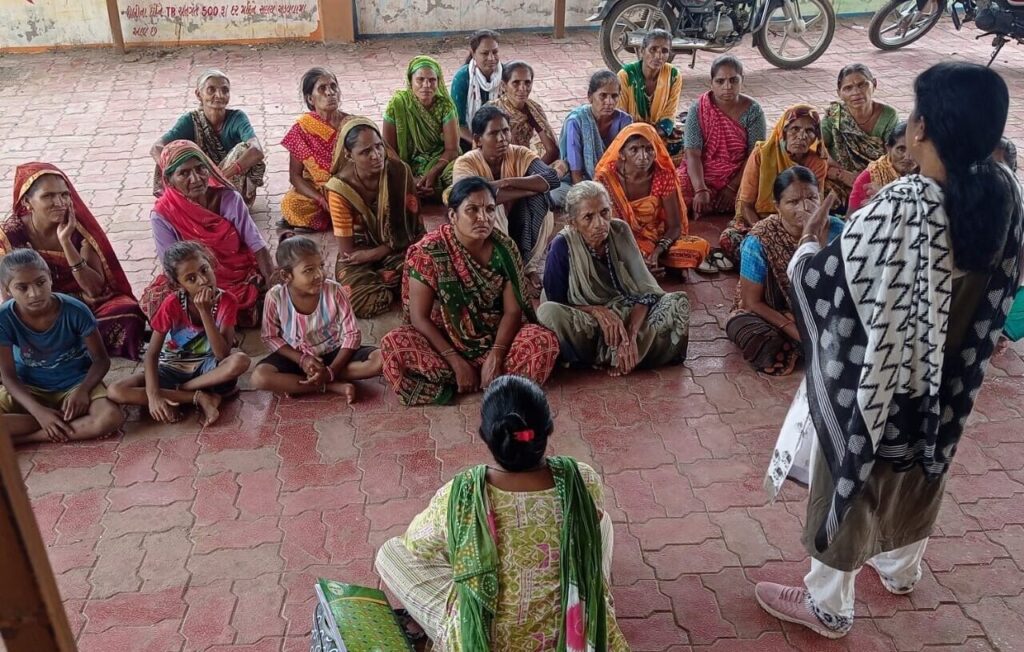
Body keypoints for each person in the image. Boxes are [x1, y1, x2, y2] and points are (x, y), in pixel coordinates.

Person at [756, 62, 1022, 639]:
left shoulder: (907, 205)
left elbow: (826, 282)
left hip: (886, 371)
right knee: (925, 461)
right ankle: (900, 568)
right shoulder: (1004, 191)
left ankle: (827, 602)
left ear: (923, 127)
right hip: (950, 369)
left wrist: (806, 245)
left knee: (854, 467)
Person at [375, 374, 629, 651]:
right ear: (548, 430)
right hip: (574, 635)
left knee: (390, 553)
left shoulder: (460, 495)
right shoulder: (582, 480)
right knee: (600, 523)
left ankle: (448, 628)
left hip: (483, 642)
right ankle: (594, 606)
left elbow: (416, 544)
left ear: (485, 435)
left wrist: (469, 550)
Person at [379, 177, 559, 406]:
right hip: (446, 341)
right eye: (472, 210)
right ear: (453, 216)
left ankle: (489, 376)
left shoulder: (504, 249)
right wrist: (455, 361)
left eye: (490, 210)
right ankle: (469, 380)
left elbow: (512, 312)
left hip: (493, 337)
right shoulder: (429, 251)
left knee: (542, 341)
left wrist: (496, 354)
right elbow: (419, 318)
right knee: (394, 345)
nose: (483, 218)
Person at [537, 181, 691, 376]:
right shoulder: (561, 246)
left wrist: (631, 334)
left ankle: (617, 354)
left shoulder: (620, 231)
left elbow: (646, 291)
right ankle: (634, 355)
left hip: (629, 314)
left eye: (604, 213)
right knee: (547, 312)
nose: (600, 224)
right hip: (589, 322)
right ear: (573, 222)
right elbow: (556, 302)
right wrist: (597, 311)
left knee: (678, 302)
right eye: (588, 217)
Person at [0, 163, 145, 360]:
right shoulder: (9, 236)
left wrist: (66, 242)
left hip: (81, 306)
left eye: (64, 195)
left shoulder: (79, 229)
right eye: (48, 196)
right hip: (36, 308)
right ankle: (72, 347)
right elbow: (10, 296)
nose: (59, 202)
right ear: (27, 201)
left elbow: (95, 290)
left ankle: (57, 349)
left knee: (128, 312)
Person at [108, 242, 250, 427]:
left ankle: (182, 394)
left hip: (208, 370)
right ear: (178, 284)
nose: (203, 280)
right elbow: (152, 355)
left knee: (239, 361)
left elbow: (222, 354)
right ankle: (199, 398)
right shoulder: (172, 304)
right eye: (191, 279)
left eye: (204, 270)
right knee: (115, 390)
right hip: (171, 367)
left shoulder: (227, 301)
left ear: (211, 264)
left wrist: (205, 312)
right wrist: (153, 396)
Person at [140, 140, 275, 328]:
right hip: (194, 278)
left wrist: (273, 286)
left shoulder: (229, 199)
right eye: (184, 173)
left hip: (238, 276)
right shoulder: (162, 215)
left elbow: (257, 245)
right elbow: (172, 265)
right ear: (169, 180)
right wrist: (197, 292)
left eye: (200, 169)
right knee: (161, 304)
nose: (195, 179)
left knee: (267, 295)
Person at [725, 167, 843, 376]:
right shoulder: (760, 239)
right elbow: (752, 302)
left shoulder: (837, 230)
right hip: (774, 310)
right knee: (744, 327)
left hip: (825, 309)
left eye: (812, 198)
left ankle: (811, 344)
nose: (805, 207)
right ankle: (804, 344)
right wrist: (794, 329)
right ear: (777, 206)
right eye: (793, 202)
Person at [0, 249, 124, 444]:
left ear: (50, 278)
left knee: (110, 418)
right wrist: (39, 412)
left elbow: (101, 360)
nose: (35, 293)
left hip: (75, 383)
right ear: (7, 290)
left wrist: (83, 391)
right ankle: (55, 422)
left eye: (41, 282)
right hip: (28, 388)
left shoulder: (75, 310)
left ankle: (23, 438)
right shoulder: (4, 318)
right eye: (22, 288)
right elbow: (7, 375)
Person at [251, 234, 383, 402]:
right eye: (308, 270)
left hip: (333, 353)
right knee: (259, 377)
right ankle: (330, 386)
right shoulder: (275, 297)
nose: (319, 274)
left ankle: (309, 381)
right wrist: (303, 359)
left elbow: (353, 334)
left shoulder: (334, 291)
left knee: (380, 359)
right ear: (286, 276)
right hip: (296, 358)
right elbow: (269, 336)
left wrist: (331, 371)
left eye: (321, 266)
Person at [326, 118, 425, 318]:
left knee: (430, 272)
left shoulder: (399, 172)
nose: (376, 155)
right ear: (348, 155)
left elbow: (413, 230)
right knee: (360, 301)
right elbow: (348, 252)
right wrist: (369, 255)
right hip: (360, 254)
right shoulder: (339, 190)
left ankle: (393, 279)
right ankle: (396, 282)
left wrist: (377, 253)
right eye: (365, 152)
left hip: (401, 245)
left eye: (379, 147)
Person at [452, 106, 561, 280]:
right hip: (481, 232)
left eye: (505, 131)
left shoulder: (519, 153)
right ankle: (503, 266)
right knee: (490, 206)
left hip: (517, 223)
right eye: (494, 133)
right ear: (478, 139)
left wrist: (507, 182)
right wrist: (526, 190)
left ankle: (526, 265)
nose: (502, 139)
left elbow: (552, 179)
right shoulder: (465, 163)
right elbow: (471, 198)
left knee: (541, 199)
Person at [594, 123, 710, 274]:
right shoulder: (607, 178)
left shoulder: (662, 175)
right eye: (634, 149)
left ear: (656, 150)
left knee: (697, 248)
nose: (643, 157)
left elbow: (675, 226)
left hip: (656, 238)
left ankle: (647, 263)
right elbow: (603, 224)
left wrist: (658, 250)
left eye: (649, 149)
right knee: (601, 248)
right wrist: (633, 250)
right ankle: (646, 264)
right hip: (620, 238)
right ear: (621, 153)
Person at [723, 104, 828, 266]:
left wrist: (798, 233)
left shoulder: (817, 163)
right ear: (783, 131)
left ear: (816, 136)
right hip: (758, 220)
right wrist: (767, 232)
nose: (801, 136)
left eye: (809, 131)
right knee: (731, 239)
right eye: (795, 129)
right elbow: (746, 205)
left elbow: (814, 206)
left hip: (798, 223)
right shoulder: (762, 154)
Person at [150, 69, 266, 206]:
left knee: (244, 149)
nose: (219, 95)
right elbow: (156, 148)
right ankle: (176, 203)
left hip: (228, 186)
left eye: (225, 90)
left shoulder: (237, 117)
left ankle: (226, 205)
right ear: (199, 95)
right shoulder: (191, 120)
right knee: (168, 153)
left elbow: (257, 150)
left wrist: (218, 178)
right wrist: (174, 169)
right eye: (211, 90)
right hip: (197, 184)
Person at [678, 55, 766, 218]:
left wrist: (732, 187)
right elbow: (692, 153)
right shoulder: (699, 108)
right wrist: (701, 189)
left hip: (739, 172)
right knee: (678, 189)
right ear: (711, 83)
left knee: (760, 194)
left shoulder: (753, 111)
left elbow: (754, 155)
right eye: (720, 81)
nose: (727, 87)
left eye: (733, 80)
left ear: (742, 80)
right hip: (704, 171)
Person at [281, 67, 354, 231]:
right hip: (319, 190)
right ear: (310, 98)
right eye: (322, 88)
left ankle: (342, 212)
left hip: (350, 186)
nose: (330, 92)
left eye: (334, 86)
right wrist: (321, 199)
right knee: (291, 204)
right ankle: (337, 214)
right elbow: (295, 177)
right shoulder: (302, 129)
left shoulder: (352, 124)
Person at [550, 70, 633, 208]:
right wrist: (587, 194)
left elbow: (628, 163)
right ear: (590, 97)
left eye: (614, 96)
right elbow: (575, 170)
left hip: (613, 180)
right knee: (556, 193)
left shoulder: (624, 121)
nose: (609, 102)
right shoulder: (576, 121)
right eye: (603, 96)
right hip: (579, 181)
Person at [821, 64, 900, 207]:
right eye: (848, 88)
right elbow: (818, 147)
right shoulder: (835, 115)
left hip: (875, 180)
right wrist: (843, 175)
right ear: (839, 93)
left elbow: (892, 157)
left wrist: (864, 178)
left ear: (874, 84)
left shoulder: (888, 115)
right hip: (839, 179)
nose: (856, 92)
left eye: (862, 85)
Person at [383, 56, 461, 201]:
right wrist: (406, 175)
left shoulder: (445, 106)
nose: (426, 85)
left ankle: (432, 191)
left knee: (459, 173)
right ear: (410, 81)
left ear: (438, 82)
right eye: (420, 80)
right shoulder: (397, 105)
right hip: (404, 163)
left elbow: (452, 149)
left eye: (432, 80)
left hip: (438, 160)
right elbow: (388, 148)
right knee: (382, 176)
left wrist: (433, 172)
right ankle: (430, 192)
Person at [617, 29, 684, 158]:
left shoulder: (673, 75)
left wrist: (652, 135)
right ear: (642, 51)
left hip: (659, 134)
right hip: (630, 136)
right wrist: (642, 138)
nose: (658, 56)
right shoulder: (626, 75)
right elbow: (621, 119)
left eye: (664, 51)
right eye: (653, 49)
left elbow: (668, 118)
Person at [486, 61, 559, 164]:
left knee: (561, 165)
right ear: (503, 85)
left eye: (527, 83)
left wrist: (533, 171)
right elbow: (485, 151)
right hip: (497, 166)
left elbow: (552, 150)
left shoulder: (533, 110)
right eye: (516, 83)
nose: (523, 88)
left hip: (524, 164)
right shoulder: (491, 111)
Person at [847, 122, 917, 214]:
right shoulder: (868, 178)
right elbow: (850, 221)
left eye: (913, 149)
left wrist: (886, 195)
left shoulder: (928, 173)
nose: (908, 157)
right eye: (901, 149)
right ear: (888, 148)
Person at [450, 30, 503, 147]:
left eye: (495, 52)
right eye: (485, 53)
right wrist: (479, 143)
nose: (491, 58)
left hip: (502, 138)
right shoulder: (462, 78)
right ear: (473, 53)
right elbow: (457, 124)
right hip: (471, 140)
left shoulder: (506, 75)